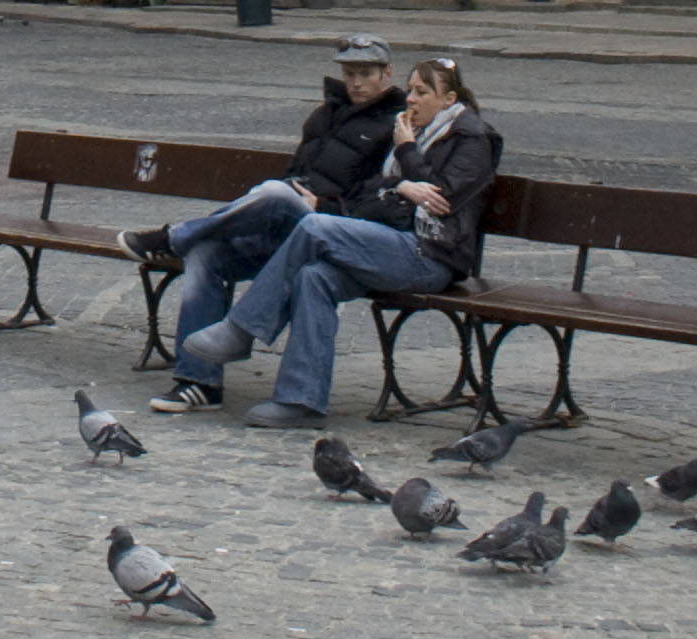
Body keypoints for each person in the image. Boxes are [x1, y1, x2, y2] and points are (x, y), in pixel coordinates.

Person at [169, 56, 500, 426]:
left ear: (450, 99)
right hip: (389, 242)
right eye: (410, 91)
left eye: (422, 92)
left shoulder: (471, 138)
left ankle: (242, 330)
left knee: (316, 228)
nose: (411, 100)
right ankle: (301, 401)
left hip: (431, 255)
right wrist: (400, 184)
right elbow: (365, 191)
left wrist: (406, 154)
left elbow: (442, 199)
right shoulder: (412, 132)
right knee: (314, 275)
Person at [127, 35, 407, 412]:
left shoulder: (396, 124)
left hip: (334, 231)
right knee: (206, 252)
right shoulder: (324, 116)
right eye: (349, 72)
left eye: (366, 73)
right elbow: (295, 170)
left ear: (387, 73)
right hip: (287, 224)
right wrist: (295, 189)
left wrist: (323, 204)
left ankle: (172, 237)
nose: (356, 81)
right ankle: (198, 381)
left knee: (275, 193)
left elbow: (382, 196)